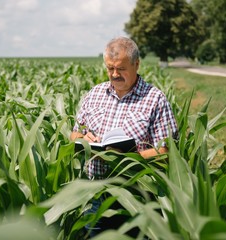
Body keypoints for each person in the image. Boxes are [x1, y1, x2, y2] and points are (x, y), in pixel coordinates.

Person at [70, 36, 178, 237]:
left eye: (121, 69)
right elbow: (75, 133)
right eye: (110, 68)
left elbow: (165, 151)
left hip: (135, 199)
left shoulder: (155, 100)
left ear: (136, 64)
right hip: (95, 196)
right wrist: (83, 140)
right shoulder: (94, 94)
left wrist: (128, 158)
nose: (114, 74)